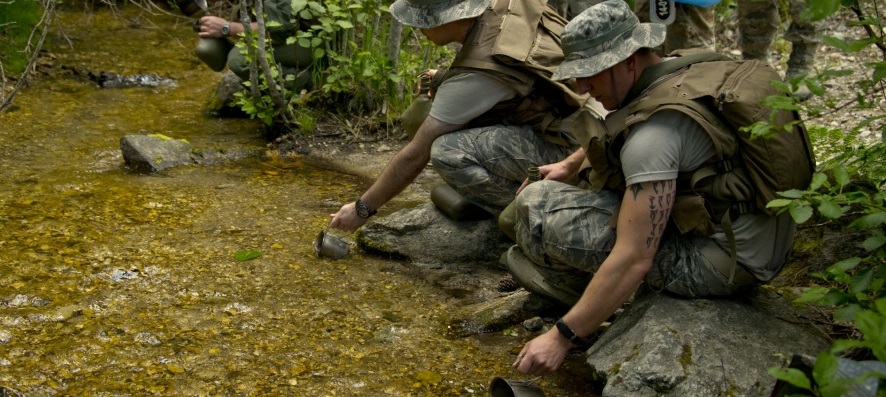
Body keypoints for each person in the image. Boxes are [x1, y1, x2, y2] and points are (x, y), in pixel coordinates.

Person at [506, 0, 813, 375]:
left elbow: (635, 258)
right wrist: (570, 165)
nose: (581, 85)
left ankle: (576, 295)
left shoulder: (653, 138)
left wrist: (562, 336)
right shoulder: (688, 66)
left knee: (536, 206)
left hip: (722, 268)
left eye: (591, 73)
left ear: (629, 60)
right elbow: (618, 128)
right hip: (759, 242)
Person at [329, 0, 601, 231]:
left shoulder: (477, 75)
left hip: (576, 154)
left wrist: (362, 208)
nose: (417, 28)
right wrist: (446, 80)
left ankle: (536, 222)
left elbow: (415, 155)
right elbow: (526, 70)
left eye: (423, 19)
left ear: (451, 18)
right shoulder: (504, 6)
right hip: (593, 121)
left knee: (447, 151)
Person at [193, 0, 317, 91]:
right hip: (308, 33)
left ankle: (311, 83)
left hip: (320, 41)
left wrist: (228, 28)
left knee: (240, 60)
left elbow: (279, 31)